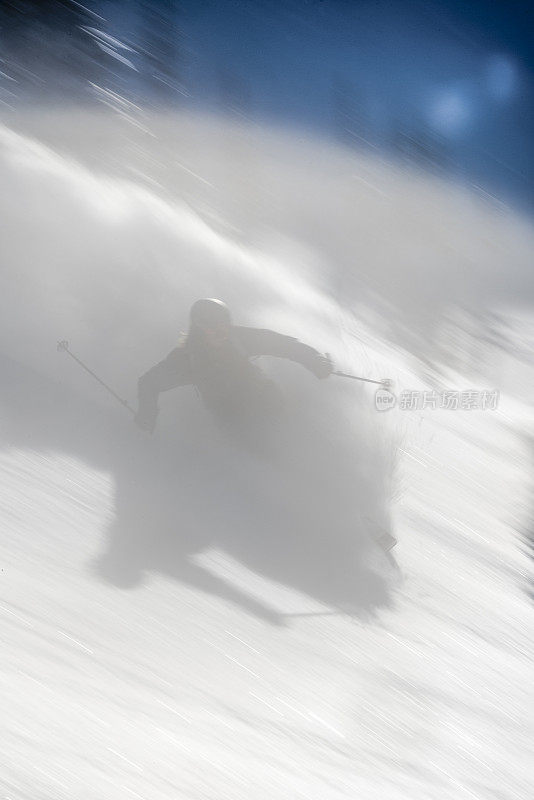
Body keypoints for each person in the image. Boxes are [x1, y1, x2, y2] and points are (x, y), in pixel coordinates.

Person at [134, 298, 333, 437]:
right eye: (212, 327)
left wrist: (315, 361)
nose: (221, 332)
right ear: (198, 328)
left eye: (224, 324)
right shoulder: (186, 359)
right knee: (255, 446)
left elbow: (286, 345)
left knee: (288, 434)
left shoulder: (240, 337)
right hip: (230, 415)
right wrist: (147, 413)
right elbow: (148, 383)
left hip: (265, 396)